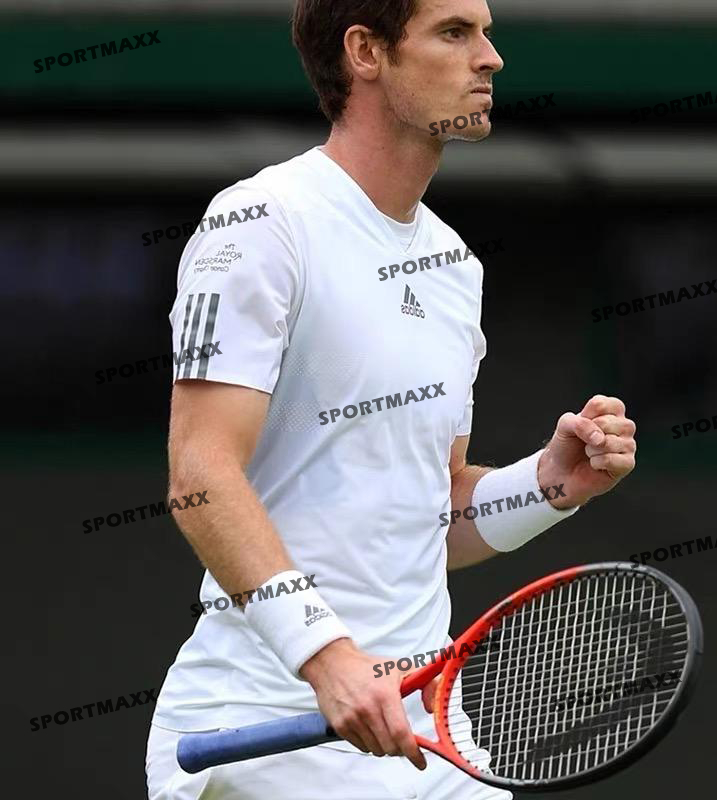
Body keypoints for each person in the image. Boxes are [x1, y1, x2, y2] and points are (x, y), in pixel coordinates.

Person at [145, 1, 637, 797]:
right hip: (264, 730)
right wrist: (329, 659)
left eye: (485, 32)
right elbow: (198, 474)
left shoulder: (454, 266)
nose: (491, 58)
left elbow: (431, 514)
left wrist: (550, 485)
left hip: (423, 731)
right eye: (455, 32)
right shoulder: (261, 223)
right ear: (366, 52)